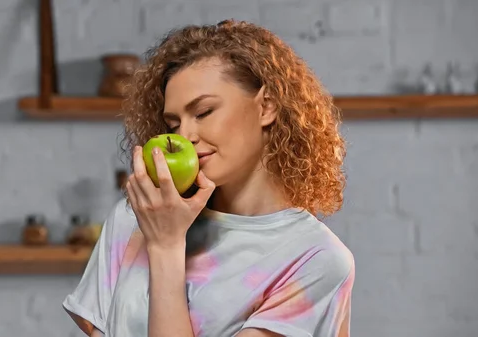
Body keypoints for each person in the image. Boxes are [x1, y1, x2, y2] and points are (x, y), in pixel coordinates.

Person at [63, 19, 355, 337]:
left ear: (266, 107)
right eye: (174, 124)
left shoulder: (315, 260)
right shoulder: (139, 216)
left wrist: (165, 247)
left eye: (203, 113)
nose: (185, 135)